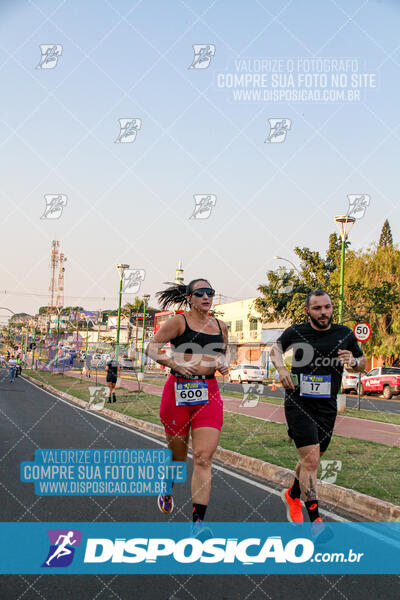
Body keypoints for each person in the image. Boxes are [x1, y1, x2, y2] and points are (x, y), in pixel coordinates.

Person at [271, 289, 366, 530]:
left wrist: (353, 362)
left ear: (332, 308)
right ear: (308, 311)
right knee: (311, 461)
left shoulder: (344, 334)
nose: (323, 312)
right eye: (317, 308)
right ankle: (317, 521)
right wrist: (282, 370)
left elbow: (362, 362)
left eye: (327, 307)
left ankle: (292, 495)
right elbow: (275, 350)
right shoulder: (297, 331)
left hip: (327, 405)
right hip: (298, 401)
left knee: (311, 460)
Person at [145, 279, 229, 532]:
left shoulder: (221, 326)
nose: (206, 297)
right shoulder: (178, 322)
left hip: (208, 393)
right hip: (178, 391)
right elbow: (151, 347)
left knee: (203, 458)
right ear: (190, 297)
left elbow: (222, 354)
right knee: (178, 458)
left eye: (210, 293)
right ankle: (168, 485)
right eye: (200, 293)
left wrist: (224, 363)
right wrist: (175, 365)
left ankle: (198, 524)